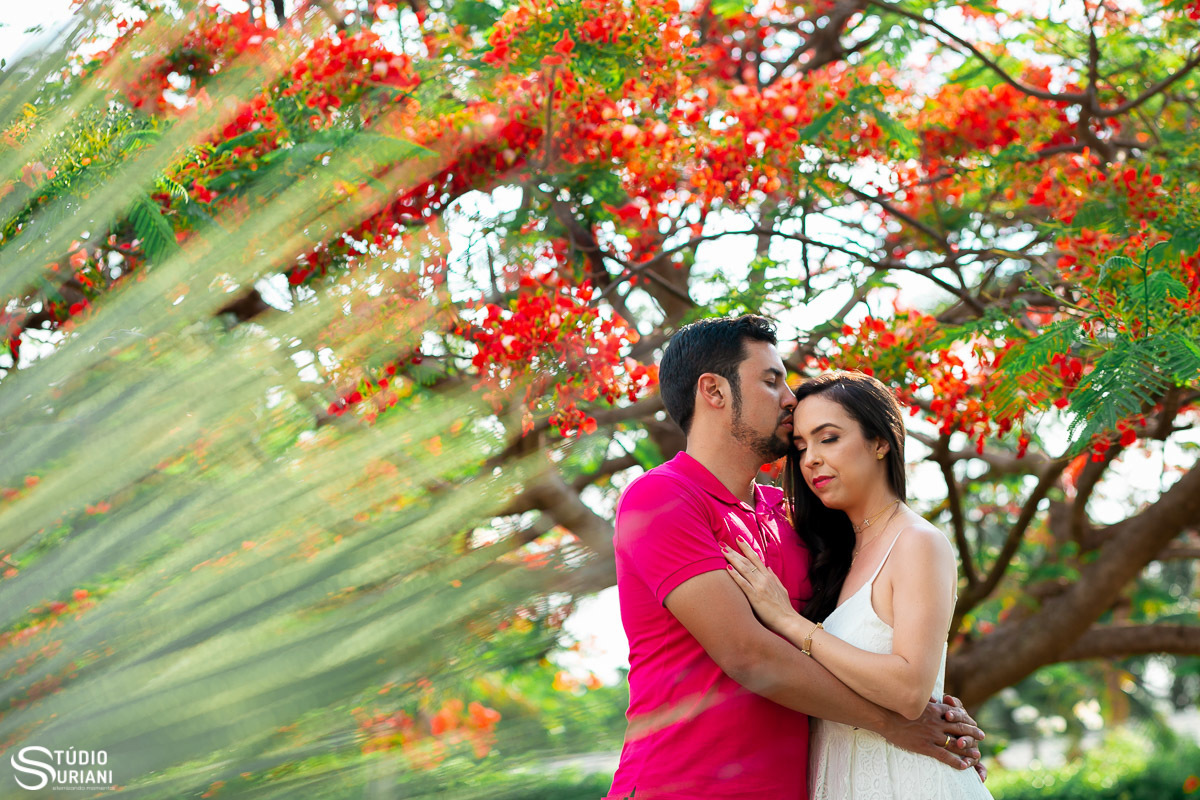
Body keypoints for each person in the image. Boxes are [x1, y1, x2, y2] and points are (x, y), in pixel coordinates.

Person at [605, 316, 984, 800]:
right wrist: (895, 724)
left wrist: (941, 716)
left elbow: (861, 636)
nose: (790, 397)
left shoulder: (792, 519)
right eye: (770, 380)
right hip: (681, 786)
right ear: (714, 391)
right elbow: (749, 655)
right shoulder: (661, 498)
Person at [722, 370, 993, 799]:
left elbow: (909, 691)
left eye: (828, 438)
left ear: (880, 441)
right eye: (802, 445)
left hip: (905, 782)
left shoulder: (918, 543)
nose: (809, 458)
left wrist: (790, 623)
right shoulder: (829, 555)